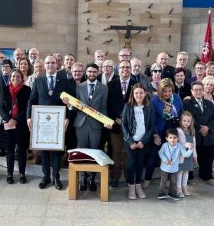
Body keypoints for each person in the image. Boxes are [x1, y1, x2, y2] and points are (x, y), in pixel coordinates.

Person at [27, 55, 74, 190]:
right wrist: (29, 117)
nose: (50, 65)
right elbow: (32, 100)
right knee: (45, 152)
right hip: (42, 123)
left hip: (58, 124)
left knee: (57, 152)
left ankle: (56, 177)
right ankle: (46, 177)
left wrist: (68, 118)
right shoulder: (38, 80)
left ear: (57, 65)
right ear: (44, 65)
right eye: (48, 63)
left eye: (53, 63)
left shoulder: (65, 81)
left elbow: (70, 103)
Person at [63, 63, 110, 192]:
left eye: (94, 72)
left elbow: (104, 107)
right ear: (86, 73)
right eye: (89, 72)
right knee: (83, 151)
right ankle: (83, 178)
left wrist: (105, 121)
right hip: (81, 123)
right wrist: (70, 105)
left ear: (98, 73)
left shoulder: (104, 88)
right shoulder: (79, 87)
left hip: (96, 125)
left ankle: (92, 178)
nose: (92, 74)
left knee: (94, 151)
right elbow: (76, 106)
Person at [143, 78, 182, 188]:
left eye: (169, 91)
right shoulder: (155, 101)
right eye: (165, 91)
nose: (167, 93)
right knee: (153, 156)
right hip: (159, 131)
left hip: (173, 132)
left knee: (172, 157)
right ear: (160, 90)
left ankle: (170, 180)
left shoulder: (177, 98)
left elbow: (181, 113)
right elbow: (152, 119)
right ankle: (147, 178)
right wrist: (155, 134)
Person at [121, 84, 157, 199]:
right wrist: (130, 141)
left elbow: (151, 126)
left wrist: (144, 141)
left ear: (145, 93)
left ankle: (138, 186)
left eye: (141, 92)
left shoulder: (149, 107)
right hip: (131, 142)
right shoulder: (128, 106)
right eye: (136, 93)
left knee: (140, 165)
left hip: (143, 142)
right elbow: (124, 124)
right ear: (133, 94)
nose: (139, 95)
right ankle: (131, 187)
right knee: (131, 164)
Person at [107, 59, 137, 189]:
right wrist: (115, 118)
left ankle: (129, 177)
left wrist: (127, 120)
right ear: (118, 70)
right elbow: (107, 105)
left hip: (131, 125)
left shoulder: (136, 84)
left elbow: (138, 104)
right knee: (117, 152)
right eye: (122, 67)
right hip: (115, 124)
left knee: (128, 152)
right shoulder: (110, 84)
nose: (125, 69)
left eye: (127, 67)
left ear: (131, 69)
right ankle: (115, 177)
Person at [1, 68, 31, 184]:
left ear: (21, 78)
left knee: (22, 150)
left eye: (18, 76)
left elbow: (27, 107)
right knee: (9, 150)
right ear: (10, 78)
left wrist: (16, 119)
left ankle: (22, 173)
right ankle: (10, 174)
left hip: (21, 125)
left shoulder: (27, 90)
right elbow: (1, 107)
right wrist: (9, 119)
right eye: (13, 76)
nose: (15, 78)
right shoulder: (4, 90)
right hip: (8, 125)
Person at [183, 81, 214, 181]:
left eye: (200, 89)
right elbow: (188, 117)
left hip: (207, 134)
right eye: (195, 90)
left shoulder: (209, 103)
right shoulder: (187, 103)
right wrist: (200, 128)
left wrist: (207, 127)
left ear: (203, 90)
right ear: (191, 91)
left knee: (207, 155)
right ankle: (189, 176)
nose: (198, 91)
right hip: (193, 133)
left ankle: (206, 174)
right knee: (190, 155)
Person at [158, 128, 193, 201]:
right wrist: (165, 160)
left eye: (174, 138)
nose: (172, 139)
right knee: (163, 181)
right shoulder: (165, 145)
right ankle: (161, 193)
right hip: (165, 168)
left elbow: (185, 154)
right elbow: (160, 153)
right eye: (170, 137)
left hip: (174, 169)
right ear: (167, 138)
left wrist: (190, 149)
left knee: (174, 182)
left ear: (177, 138)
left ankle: (172, 193)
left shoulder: (179, 146)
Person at [201, 76, 214, 172]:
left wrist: (209, 127)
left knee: (210, 151)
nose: (209, 87)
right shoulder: (198, 96)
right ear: (203, 85)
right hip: (199, 128)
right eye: (207, 84)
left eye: (211, 85)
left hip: (212, 129)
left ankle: (207, 172)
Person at [176, 111, 197, 198]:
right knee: (180, 172)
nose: (186, 123)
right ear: (181, 121)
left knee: (186, 171)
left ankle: (184, 187)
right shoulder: (179, 130)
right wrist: (186, 145)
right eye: (184, 121)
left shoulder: (191, 131)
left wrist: (195, 155)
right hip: (182, 155)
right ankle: (178, 188)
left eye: (188, 121)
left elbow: (194, 144)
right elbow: (179, 143)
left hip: (190, 155)